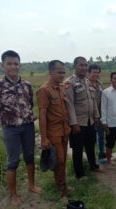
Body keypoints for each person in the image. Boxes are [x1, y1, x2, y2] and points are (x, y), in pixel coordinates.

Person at [0, 50, 41, 205]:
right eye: (9, 64)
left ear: (20, 65)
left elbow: (30, 104)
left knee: (30, 157)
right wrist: (5, 118)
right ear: (2, 65)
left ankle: (31, 186)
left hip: (28, 127)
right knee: (12, 161)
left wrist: (26, 116)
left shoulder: (27, 85)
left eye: (16, 64)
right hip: (10, 129)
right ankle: (13, 194)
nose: (13, 67)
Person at [36, 60, 70, 198]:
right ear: (50, 72)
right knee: (60, 160)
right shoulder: (44, 90)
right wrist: (44, 138)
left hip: (64, 130)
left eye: (63, 72)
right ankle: (61, 188)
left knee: (63, 160)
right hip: (53, 132)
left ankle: (62, 184)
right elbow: (42, 115)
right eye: (59, 72)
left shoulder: (61, 88)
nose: (62, 75)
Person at [64, 57, 101, 180]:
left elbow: (93, 99)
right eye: (81, 65)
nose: (84, 68)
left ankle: (93, 166)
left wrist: (96, 115)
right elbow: (69, 104)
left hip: (90, 120)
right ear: (75, 66)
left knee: (91, 145)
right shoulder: (70, 82)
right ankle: (80, 174)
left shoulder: (88, 81)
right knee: (78, 149)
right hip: (78, 122)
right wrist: (74, 123)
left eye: (86, 65)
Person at [87, 64, 106, 163]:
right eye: (94, 72)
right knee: (91, 139)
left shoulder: (100, 84)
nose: (96, 74)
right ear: (89, 72)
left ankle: (101, 154)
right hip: (89, 116)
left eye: (98, 72)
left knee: (101, 136)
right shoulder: (85, 84)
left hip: (100, 114)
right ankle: (91, 158)